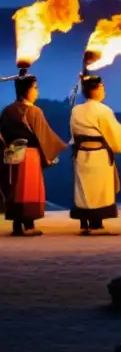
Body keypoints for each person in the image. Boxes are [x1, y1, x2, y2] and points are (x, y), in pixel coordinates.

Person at [0, 66, 67, 236]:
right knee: (27, 188)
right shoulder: (34, 111)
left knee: (15, 188)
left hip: (11, 153)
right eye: (35, 88)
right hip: (29, 154)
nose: (36, 92)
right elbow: (45, 135)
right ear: (26, 90)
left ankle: (17, 225)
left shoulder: (7, 110)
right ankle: (28, 225)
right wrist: (59, 148)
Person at [69, 73, 121, 235]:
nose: (104, 90)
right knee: (97, 190)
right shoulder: (103, 111)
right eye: (102, 87)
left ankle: (86, 222)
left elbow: (73, 134)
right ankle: (96, 224)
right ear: (96, 89)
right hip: (98, 155)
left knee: (85, 190)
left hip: (81, 155)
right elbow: (115, 135)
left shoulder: (76, 110)